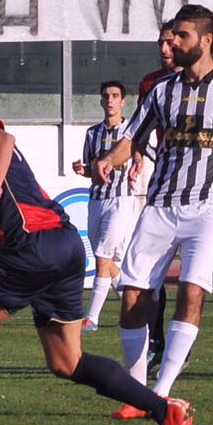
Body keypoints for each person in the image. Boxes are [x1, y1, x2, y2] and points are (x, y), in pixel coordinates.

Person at [0, 72, 194, 425]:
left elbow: (1, 138)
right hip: (63, 245)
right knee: (67, 362)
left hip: (31, 246)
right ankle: (164, 410)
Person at [95, 3, 213, 410]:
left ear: (206, 41)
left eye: (182, 35)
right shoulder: (161, 90)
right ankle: (136, 393)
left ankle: (160, 392)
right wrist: (109, 159)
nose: (173, 42)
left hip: (208, 209)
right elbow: (133, 138)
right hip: (159, 206)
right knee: (133, 296)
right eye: (172, 35)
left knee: (192, 291)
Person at [71, 81, 142, 331]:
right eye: (106, 96)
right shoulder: (92, 133)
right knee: (108, 262)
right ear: (101, 101)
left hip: (121, 199)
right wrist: (83, 170)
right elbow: (92, 171)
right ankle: (134, 305)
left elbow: (140, 157)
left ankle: (92, 318)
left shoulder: (131, 132)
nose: (110, 100)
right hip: (96, 200)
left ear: (123, 101)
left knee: (102, 257)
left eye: (115, 96)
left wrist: (137, 166)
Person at [137, 23, 177, 370]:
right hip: (162, 185)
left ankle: (179, 343)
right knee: (151, 272)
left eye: (170, 41)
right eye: (161, 42)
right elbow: (140, 131)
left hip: (202, 190)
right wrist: (137, 157)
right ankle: (157, 340)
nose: (165, 48)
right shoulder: (151, 84)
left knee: (194, 278)